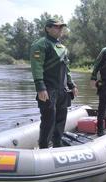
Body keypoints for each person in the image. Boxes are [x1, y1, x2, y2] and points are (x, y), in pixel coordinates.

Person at [30, 18, 78, 149]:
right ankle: (44, 147)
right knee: (48, 121)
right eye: (57, 27)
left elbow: (66, 69)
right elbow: (36, 67)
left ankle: (57, 144)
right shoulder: (41, 44)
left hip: (62, 90)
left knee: (61, 120)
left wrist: (71, 85)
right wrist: (40, 87)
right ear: (48, 28)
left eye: (61, 27)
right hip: (48, 89)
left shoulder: (63, 48)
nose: (60, 29)